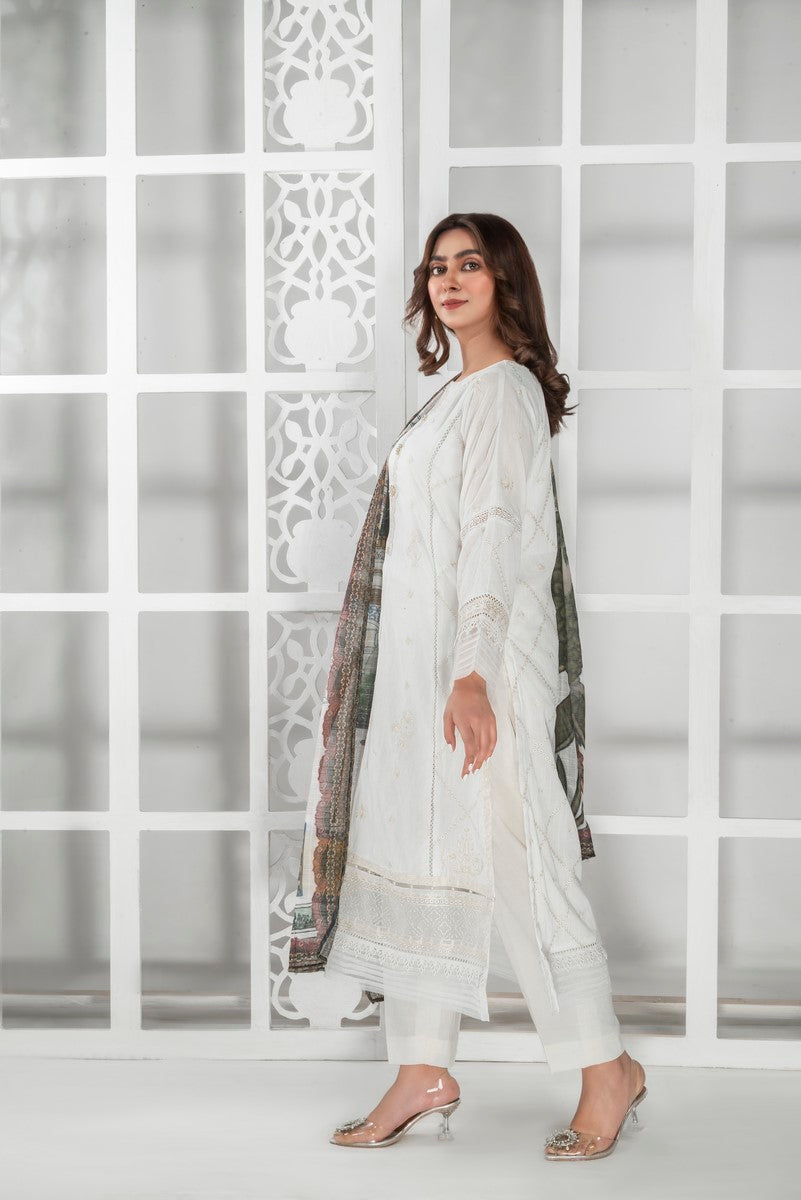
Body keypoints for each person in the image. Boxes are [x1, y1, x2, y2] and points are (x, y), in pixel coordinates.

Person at [294, 212, 647, 1159]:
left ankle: (605, 1068)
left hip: (477, 674)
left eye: (471, 265)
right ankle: (421, 1070)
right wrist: (441, 678)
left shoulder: (504, 394)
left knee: (522, 861)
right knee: (419, 852)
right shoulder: (451, 397)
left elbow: (493, 534)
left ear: (505, 283)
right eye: (437, 267)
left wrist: (474, 675)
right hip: (423, 677)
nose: (448, 280)